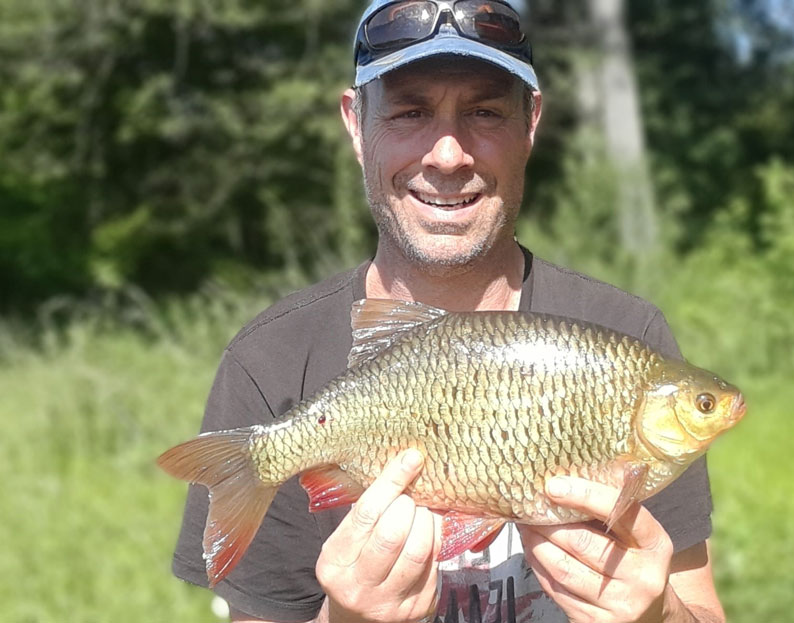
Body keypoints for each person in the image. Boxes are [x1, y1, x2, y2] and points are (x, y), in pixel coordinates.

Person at [169, 1, 725, 621]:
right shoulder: (268, 363)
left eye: (484, 111)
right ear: (356, 123)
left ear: (531, 122)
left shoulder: (626, 336)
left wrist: (658, 616)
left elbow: (701, 606)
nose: (448, 154)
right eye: (410, 111)